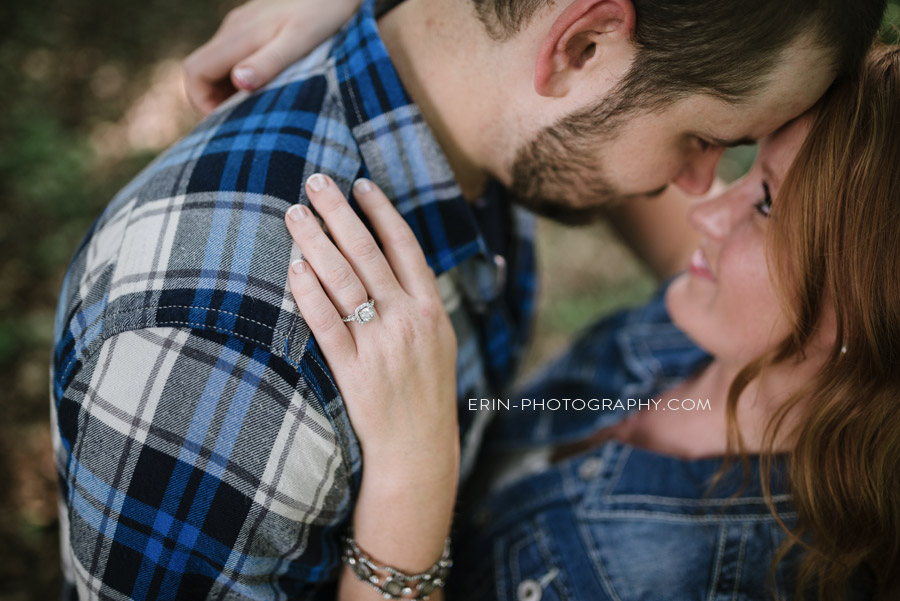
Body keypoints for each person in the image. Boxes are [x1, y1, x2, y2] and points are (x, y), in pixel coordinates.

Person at [50, 0, 885, 599]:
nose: (694, 198)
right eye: (703, 140)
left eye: (753, 182)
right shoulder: (224, 351)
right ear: (583, 45)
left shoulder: (477, 136)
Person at [283, 44, 900, 600]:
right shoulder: (729, 324)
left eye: (766, 204)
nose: (710, 212)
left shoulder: (710, 582)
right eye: (752, 171)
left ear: (869, 310)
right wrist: (378, 26)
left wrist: (411, 468)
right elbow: (631, 148)